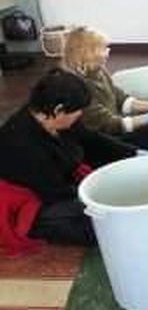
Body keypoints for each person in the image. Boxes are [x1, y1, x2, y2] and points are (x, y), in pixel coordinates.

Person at [0, 69, 137, 245]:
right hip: (37, 200)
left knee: (116, 171)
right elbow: (56, 192)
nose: (79, 116)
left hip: (61, 178)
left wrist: (135, 153)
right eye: (77, 113)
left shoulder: (54, 118)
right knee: (103, 226)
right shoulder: (22, 145)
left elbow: (91, 139)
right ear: (59, 110)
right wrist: (100, 195)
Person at [61, 26, 148, 150]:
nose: (108, 52)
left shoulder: (98, 71)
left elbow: (121, 100)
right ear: (89, 53)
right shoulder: (77, 86)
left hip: (113, 129)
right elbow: (110, 125)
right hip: (100, 141)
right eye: (103, 49)